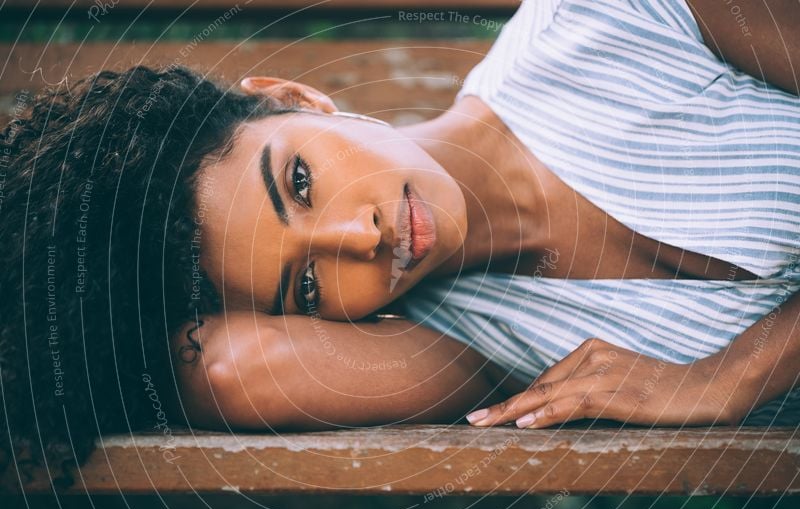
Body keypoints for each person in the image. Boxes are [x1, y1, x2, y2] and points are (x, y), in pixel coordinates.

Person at [1, 0, 797, 483]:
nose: (360, 238)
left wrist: (735, 374)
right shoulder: (468, 345)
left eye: (301, 183)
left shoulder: (608, 26)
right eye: (305, 285)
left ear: (296, 96)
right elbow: (231, 366)